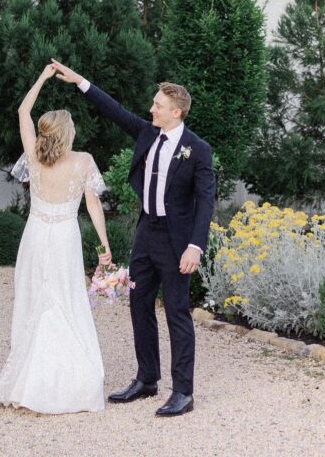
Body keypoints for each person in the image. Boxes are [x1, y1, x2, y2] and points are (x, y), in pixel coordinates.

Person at [51, 58, 215, 417]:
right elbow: (114, 110)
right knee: (139, 306)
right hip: (146, 234)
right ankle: (147, 379)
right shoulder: (147, 133)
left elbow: (206, 201)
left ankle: (184, 392)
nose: (150, 108)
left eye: (157, 105)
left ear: (176, 111)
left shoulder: (197, 149)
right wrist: (80, 81)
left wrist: (195, 245)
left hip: (177, 241)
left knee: (176, 312)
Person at [0, 64, 111, 414]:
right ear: (68, 134)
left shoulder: (33, 155)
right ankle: (65, 381)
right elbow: (93, 205)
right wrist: (104, 244)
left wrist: (41, 77)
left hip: (36, 236)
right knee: (65, 300)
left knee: (35, 301)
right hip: (65, 239)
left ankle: (31, 381)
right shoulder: (84, 161)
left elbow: (23, 111)